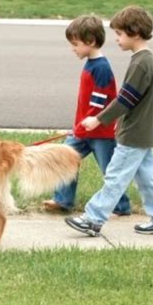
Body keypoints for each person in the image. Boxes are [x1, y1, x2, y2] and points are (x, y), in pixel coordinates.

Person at [65, 6, 153, 236]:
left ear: (134, 33)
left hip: (134, 134)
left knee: (115, 177)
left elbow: (126, 99)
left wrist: (98, 119)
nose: (116, 39)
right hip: (143, 133)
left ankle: (93, 219)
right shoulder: (144, 60)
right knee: (146, 177)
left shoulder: (141, 63)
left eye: (120, 34)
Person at [43, 14, 131, 216]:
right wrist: (78, 127)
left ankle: (121, 205)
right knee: (65, 159)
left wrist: (84, 125)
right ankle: (63, 200)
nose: (72, 48)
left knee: (110, 171)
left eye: (75, 44)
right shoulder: (91, 64)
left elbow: (98, 105)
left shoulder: (101, 67)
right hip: (83, 131)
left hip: (101, 133)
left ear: (90, 41)